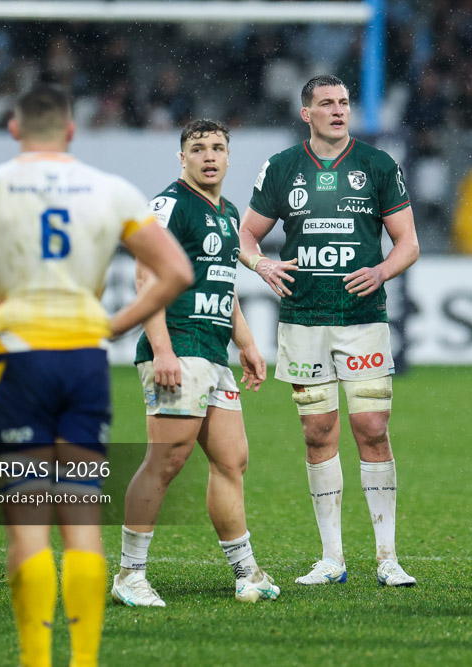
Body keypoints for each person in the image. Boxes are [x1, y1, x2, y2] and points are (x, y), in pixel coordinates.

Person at [0, 84, 192, 667]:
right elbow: (175, 270)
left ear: (13, 129)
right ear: (70, 130)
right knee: (81, 516)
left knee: (28, 524)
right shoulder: (107, 189)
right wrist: (113, 325)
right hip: (81, 358)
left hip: (18, 360)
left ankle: (37, 657)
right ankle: (83, 659)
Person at [239, 75, 420, 587]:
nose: (338, 111)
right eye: (327, 104)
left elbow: (408, 243)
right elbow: (246, 234)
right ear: (307, 113)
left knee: (372, 429)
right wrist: (262, 267)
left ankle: (387, 558)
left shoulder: (378, 165)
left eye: (343, 102)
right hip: (303, 320)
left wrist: (382, 271)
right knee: (318, 433)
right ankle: (332, 558)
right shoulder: (281, 168)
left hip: (362, 320)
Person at [112, 119, 279, 607]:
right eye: (198, 148)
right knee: (166, 461)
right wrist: (162, 348)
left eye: (218, 148)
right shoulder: (169, 206)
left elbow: (222, 286)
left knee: (232, 460)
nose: (209, 155)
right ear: (181, 158)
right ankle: (130, 574)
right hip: (178, 347)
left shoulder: (228, 213)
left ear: (229, 158)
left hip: (212, 351)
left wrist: (245, 343)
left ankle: (246, 571)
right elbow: (146, 275)